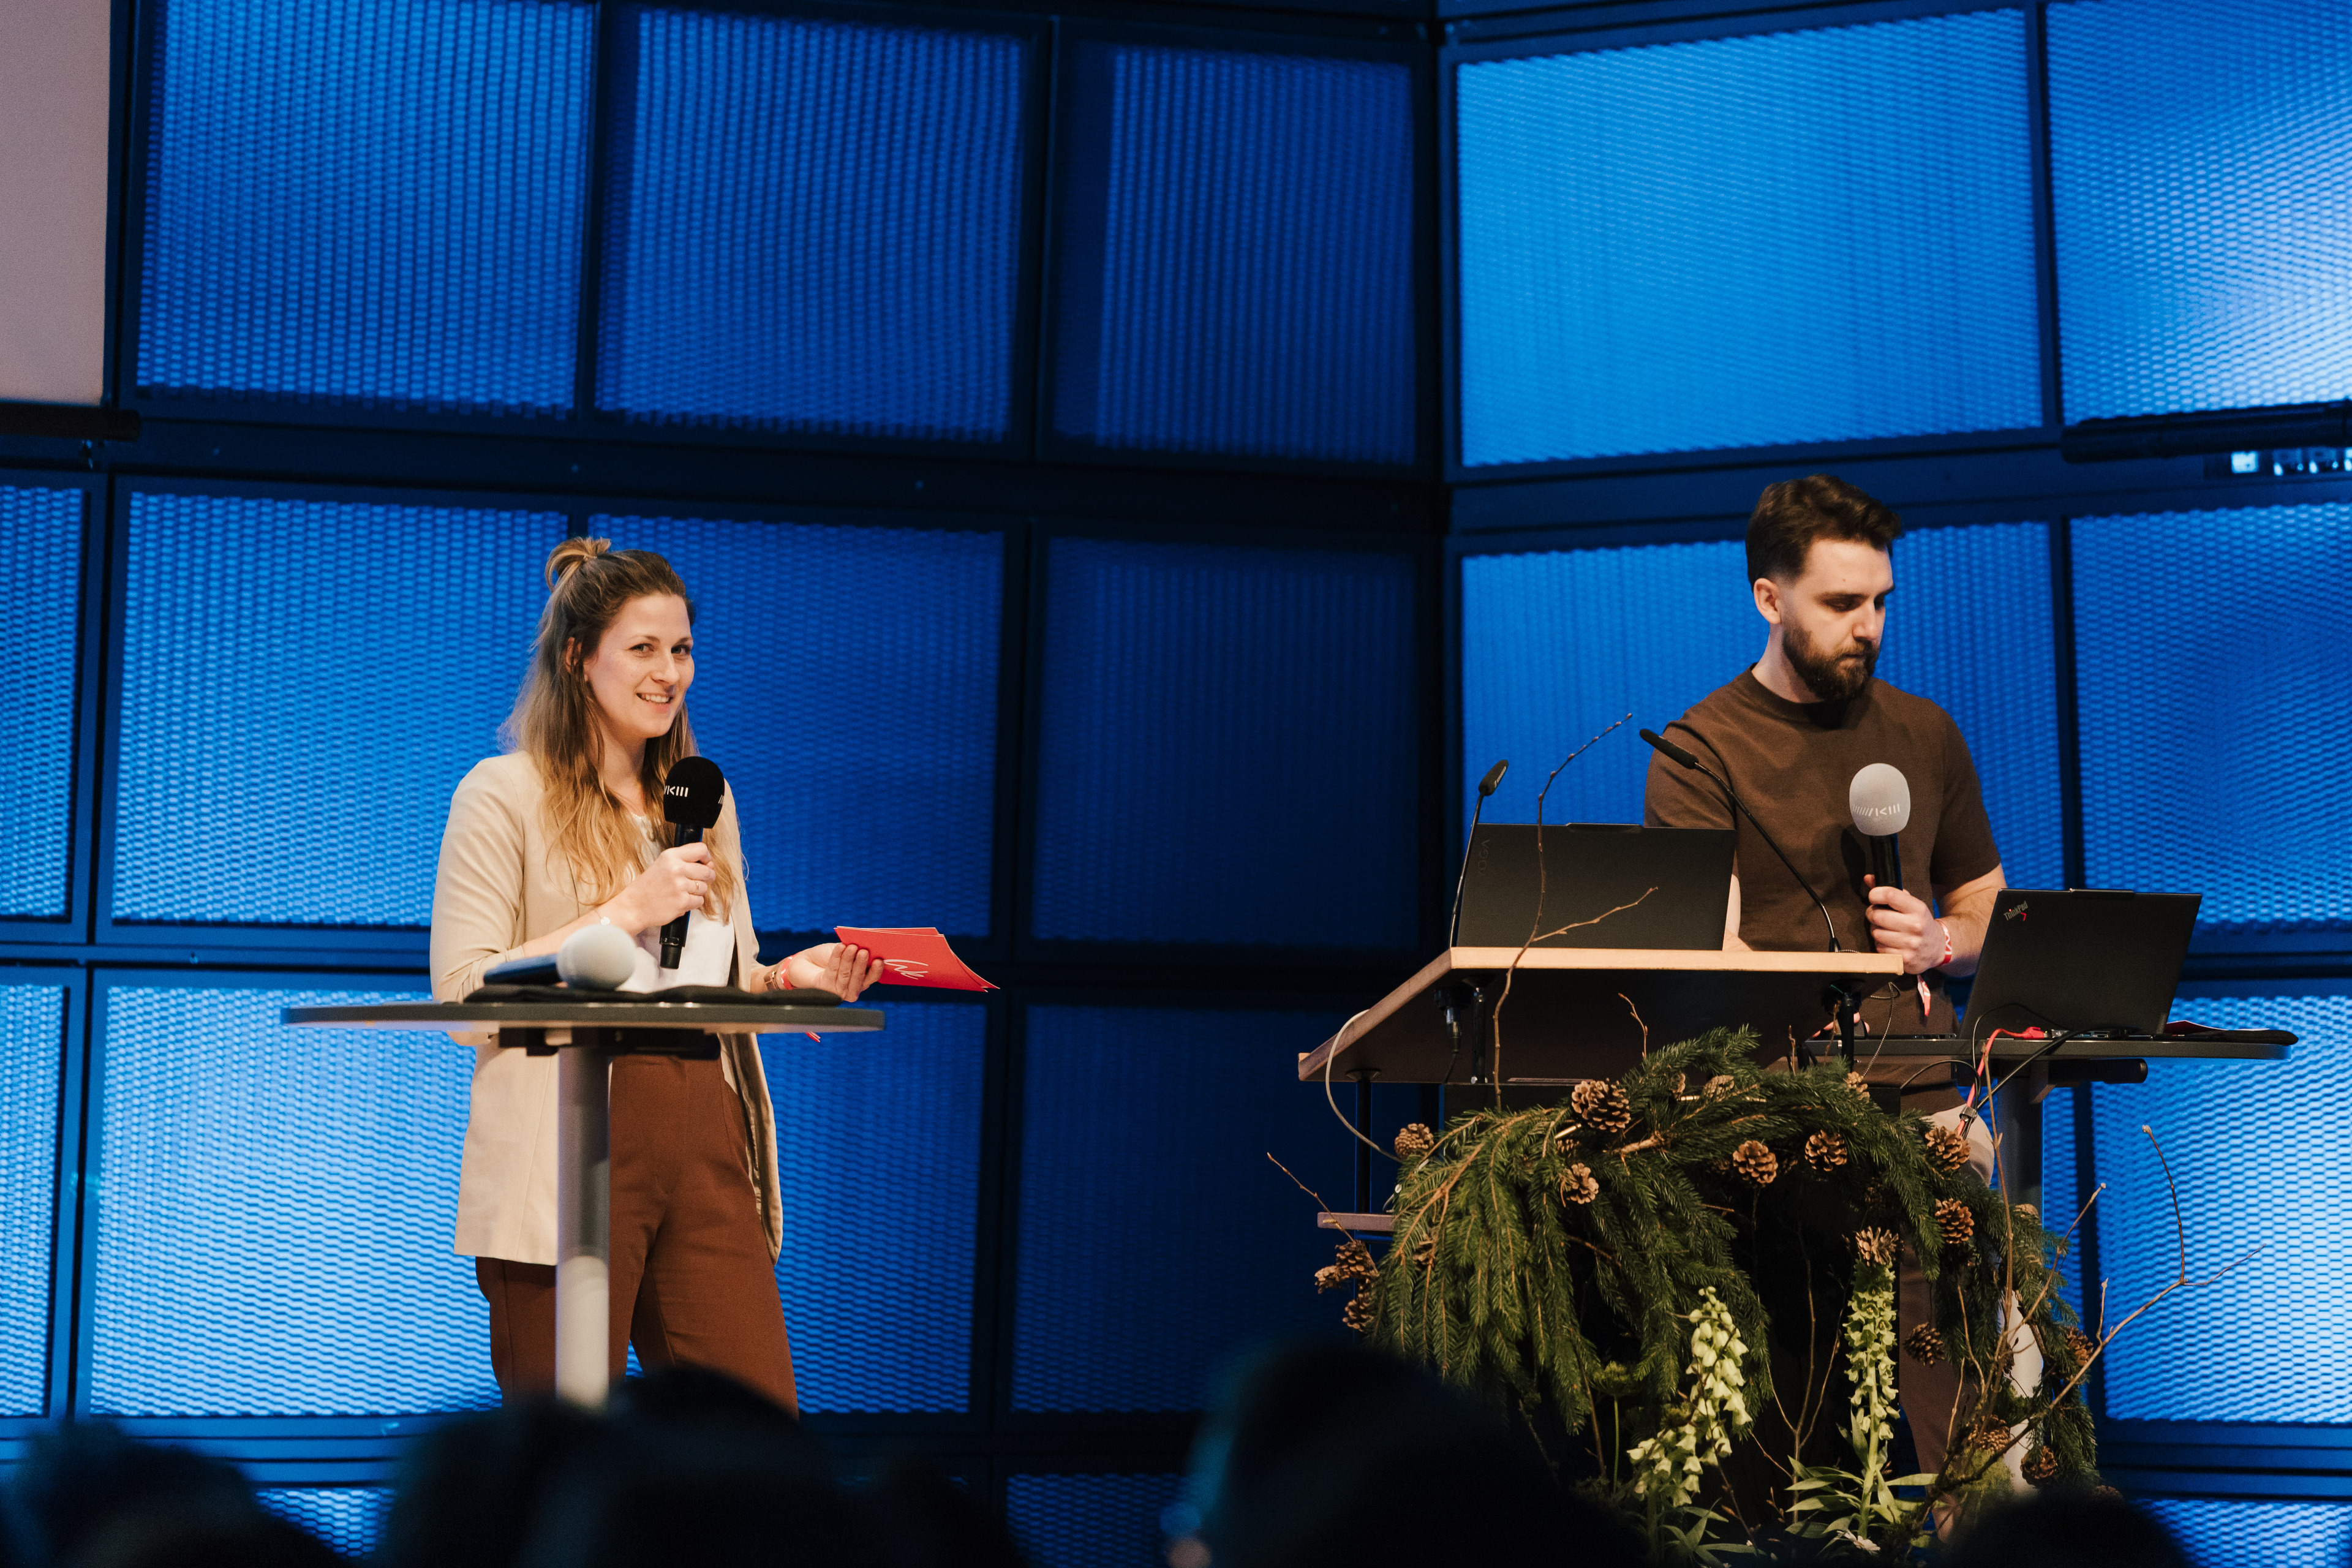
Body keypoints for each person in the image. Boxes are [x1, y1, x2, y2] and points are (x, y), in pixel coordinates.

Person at [430, 538, 882, 1409]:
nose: (669, 673)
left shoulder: (703, 798)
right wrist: (623, 911)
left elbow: (715, 979)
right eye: (642, 648)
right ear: (578, 658)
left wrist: (786, 981)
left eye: (681, 649)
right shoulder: (502, 793)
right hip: (571, 1127)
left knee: (757, 1437)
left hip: (704, 1123)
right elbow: (464, 998)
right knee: (566, 1447)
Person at [1642, 474, 2010, 1480]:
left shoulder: (1924, 734)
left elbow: (1985, 903)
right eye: (1842, 603)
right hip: (1774, 1121)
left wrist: (1941, 941)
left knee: (1964, 1426)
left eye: (1881, 601)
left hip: (1927, 1112)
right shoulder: (1700, 751)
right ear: (1770, 598)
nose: (1869, 627)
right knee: (1799, 1438)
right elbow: (1711, 958)